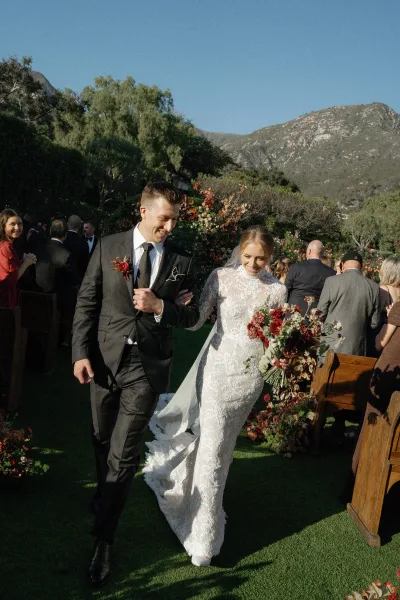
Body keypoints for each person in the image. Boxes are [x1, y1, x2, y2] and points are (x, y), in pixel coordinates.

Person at [72, 181, 199, 586]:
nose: (169, 227)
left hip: (148, 368)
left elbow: (189, 317)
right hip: (104, 362)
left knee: (124, 457)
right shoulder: (108, 247)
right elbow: (87, 301)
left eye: (174, 220)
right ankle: (103, 493)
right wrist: (79, 352)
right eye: (164, 219)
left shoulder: (182, 260)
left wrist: (161, 306)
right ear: (142, 211)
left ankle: (103, 543)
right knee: (100, 436)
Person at [144, 225, 287, 567]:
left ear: (270, 258)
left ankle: (202, 510)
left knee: (221, 449)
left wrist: (289, 352)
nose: (253, 264)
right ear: (240, 251)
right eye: (248, 256)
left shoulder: (278, 291)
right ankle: (203, 538)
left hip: (250, 379)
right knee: (211, 449)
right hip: (217, 374)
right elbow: (196, 322)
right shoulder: (221, 277)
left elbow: (274, 338)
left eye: (260, 259)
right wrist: (169, 306)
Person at [351, 301, 400, 476]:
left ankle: (357, 479)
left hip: (388, 373)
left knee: (371, 425)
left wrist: (388, 318)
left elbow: (380, 343)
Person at [317, 250, 380, 356]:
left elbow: (320, 313)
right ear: (361, 266)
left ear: (342, 265)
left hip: (330, 345)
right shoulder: (373, 287)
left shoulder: (331, 281)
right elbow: (374, 322)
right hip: (357, 346)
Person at [35, 219, 80, 342]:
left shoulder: (39, 248)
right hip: (57, 299)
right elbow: (74, 279)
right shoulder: (66, 255)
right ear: (65, 235)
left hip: (35, 293)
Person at [285, 240, 335, 314]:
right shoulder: (330, 272)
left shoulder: (296, 267)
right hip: (315, 313)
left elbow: (286, 289)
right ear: (321, 253)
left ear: (309, 251)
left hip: (294, 310)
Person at [0, 209, 36, 309]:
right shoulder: (5, 247)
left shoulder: (7, 245)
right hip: (5, 301)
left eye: (20, 224)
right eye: (12, 224)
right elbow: (11, 279)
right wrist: (26, 263)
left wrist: (21, 261)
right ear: (3, 226)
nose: (17, 227)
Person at [64, 215, 89, 281]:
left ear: (67, 224)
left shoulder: (61, 239)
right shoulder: (84, 243)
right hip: (76, 279)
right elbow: (85, 263)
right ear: (80, 226)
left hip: (59, 278)